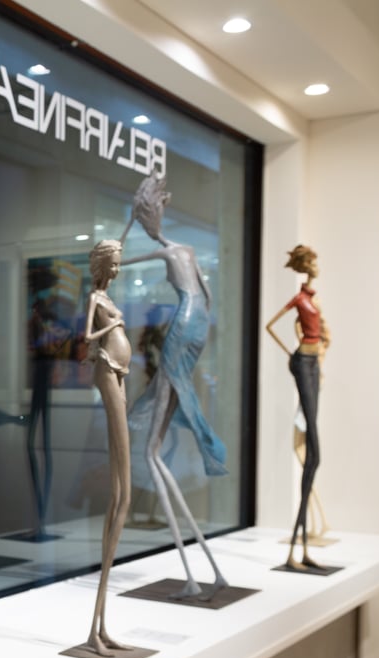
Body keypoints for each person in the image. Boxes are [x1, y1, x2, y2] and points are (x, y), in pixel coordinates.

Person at [122, 175, 229, 599]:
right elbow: (207, 296)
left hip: (183, 323)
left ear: (149, 219)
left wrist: (123, 237)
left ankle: (192, 576)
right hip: (197, 323)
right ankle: (207, 572)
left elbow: (121, 260)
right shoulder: (187, 249)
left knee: (151, 451)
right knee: (155, 446)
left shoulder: (165, 250)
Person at [81, 240, 134, 656]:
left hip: (121, 373)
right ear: (101, 264)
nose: (116, 270)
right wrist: (109, 329)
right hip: (106, 368)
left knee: (122, 492)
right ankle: (95, 629)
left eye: (118, 265)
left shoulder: (108, 298)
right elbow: (86, 337)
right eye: (112, 264)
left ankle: (100, 626)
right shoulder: (96, 299)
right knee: (122, 493)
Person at [265, 244, 331, 571]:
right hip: (303, 363)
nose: (316, 267)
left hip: (314, 363)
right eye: (313, 263)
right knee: (313, 452)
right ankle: (294, 548)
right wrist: (290, 354)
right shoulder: (299, 300)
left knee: (315, 455)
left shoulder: (313, 299)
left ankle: (301, 548)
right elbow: (270, 326)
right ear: (305, 265)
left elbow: (322, 333)